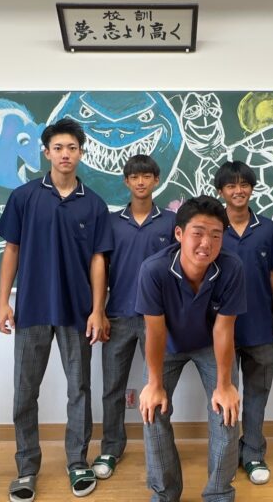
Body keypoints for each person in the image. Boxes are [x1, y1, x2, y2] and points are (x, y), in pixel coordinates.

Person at [0, 117, 114, 501]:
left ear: (81, 153)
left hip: (77, 312)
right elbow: (11, 250)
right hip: (31, 310)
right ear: (46, 152)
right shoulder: (24, 197)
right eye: (58, 148)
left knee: (79, 389)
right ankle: (26, 468)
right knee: (24, 391)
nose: (65, 154)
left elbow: (98, 260)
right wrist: (2, 302)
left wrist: (97, 309)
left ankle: (77, 462)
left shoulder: (93, 204)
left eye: (72, 148)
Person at [137, 196, 245, 502]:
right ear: (179, 234)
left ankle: (219, 493)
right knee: (152, 408)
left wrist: (224, 385)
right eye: (198, 233)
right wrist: (154, 384)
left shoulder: (232, 268)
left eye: (215, 235)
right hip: (168, 344)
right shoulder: (153, 270)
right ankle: (164, 493)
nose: (206, 243)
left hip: (210, 344)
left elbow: (224, 329)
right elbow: (155, 330)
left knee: (226, 410)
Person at [93, 154, 176, 481]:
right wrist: (99, 310)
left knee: (158, 385)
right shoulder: (112, 222)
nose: (141, 182)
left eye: (147, 176)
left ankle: (159, 447)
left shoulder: (171, 222)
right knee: (112, 387)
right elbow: (101, 267)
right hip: (118, 315)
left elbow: (179, 270)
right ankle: (111, 447)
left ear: (157, 180)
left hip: (157, 319)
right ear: (126, 181)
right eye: (135, 177)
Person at [213, 161, 273, 486]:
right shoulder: (213, 229)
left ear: (252, 188)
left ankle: (254, 452)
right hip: (222, 330)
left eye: (244, 184)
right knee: (225, 396)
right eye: (231, 185)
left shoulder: (268, 229)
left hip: (259, 327)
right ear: (221, 191)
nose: (238, 190)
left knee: (257, 394)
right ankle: (228, 455)